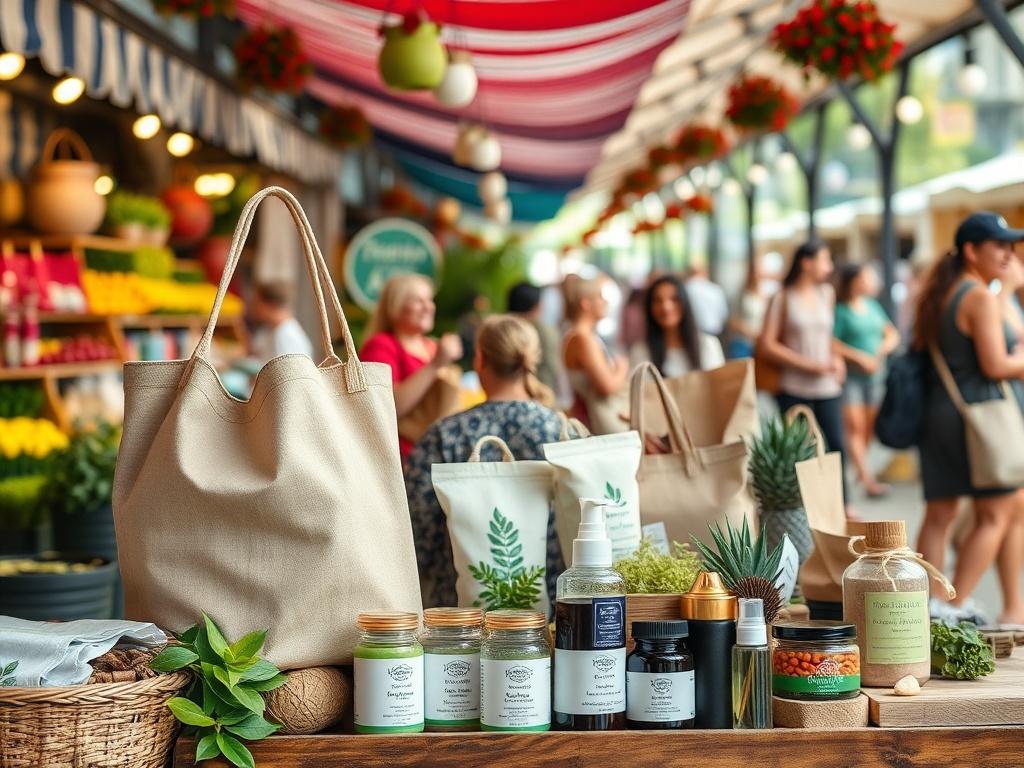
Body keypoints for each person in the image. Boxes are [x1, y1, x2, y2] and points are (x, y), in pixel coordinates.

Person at [405, 315, 567, 608]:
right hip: (559, 611)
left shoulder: (446, 434)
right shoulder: (561, 432)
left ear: (480, 359)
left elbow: (418, 532)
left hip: (461, 614)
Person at [914, 212, 1024, 621]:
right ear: (971, 250)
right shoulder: (977, 296)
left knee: (940, 514)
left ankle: (924, 607)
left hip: (942, 414)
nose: (1008, 254)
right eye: (999, 245)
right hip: (977, 417)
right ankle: (954, 607)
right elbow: (995, 364)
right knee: (998, 512)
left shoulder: (942, 292)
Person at [758, 241, 849, 503]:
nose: (829, 267)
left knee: (835, 446)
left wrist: (836, 359)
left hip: (827, 385)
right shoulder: (782, 297)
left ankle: (841, 504)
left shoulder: (827, 294)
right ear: (806, 263)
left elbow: (829, 336)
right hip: (792, 386)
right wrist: (810, 365)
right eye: (825, 260)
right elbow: (767, 344)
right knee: (799, 452)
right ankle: (804, 506)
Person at [361, 274, 463, 459]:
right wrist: (435, 366)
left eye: (430, 300)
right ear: (396, 306)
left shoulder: (432, 347)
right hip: (400, 458)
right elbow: (389, 406)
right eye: (418, 301)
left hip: (435, 455)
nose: (428, 307)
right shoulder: (381, 345)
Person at [833, 264, 900, 498]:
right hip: (851, 379)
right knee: (855, 427)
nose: (873, 282)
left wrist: (880, 352)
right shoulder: (840, 311)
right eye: (867, 278)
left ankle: (858, 469)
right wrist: (859, 357)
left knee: (869, 428)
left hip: (876, 377)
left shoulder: (872, 306)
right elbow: (832, 342)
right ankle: (868, 480)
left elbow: (892, 333)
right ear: (854, 281)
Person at [563, 274, 630, 434]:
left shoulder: (576, 335)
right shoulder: (582, 339)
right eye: (600, 297)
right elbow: (607, 386)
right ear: (586, 303)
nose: (605, 302)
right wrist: (622, 367)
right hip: (602, 424)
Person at [629, 274, 725, 377]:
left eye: (674, 299)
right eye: (658, 300)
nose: (666, 307)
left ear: (685, 303)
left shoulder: (708, 345)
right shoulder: (640, 352)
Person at [507, 281, 562, 394]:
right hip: (538, 396)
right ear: (537, 306)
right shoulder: (546, 332)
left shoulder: (495, 328)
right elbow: (551, 370)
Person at [249, 281, 314, 363]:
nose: (252, 308)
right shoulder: (270, 330)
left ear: (272, 304)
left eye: (256, 303)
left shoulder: (286, 334)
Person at [727, 264, 768, 360]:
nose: (758, 276)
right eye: (756, 273)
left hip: (758, 344)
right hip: (742, 343)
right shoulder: (741, 295)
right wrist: (750, 332)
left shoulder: (766, 295)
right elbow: (732, 321)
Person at [685, 264, 729, 337]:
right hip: (715, 332)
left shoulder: (686, 288)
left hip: (694, 333)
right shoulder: (716, 289)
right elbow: (723, 315)